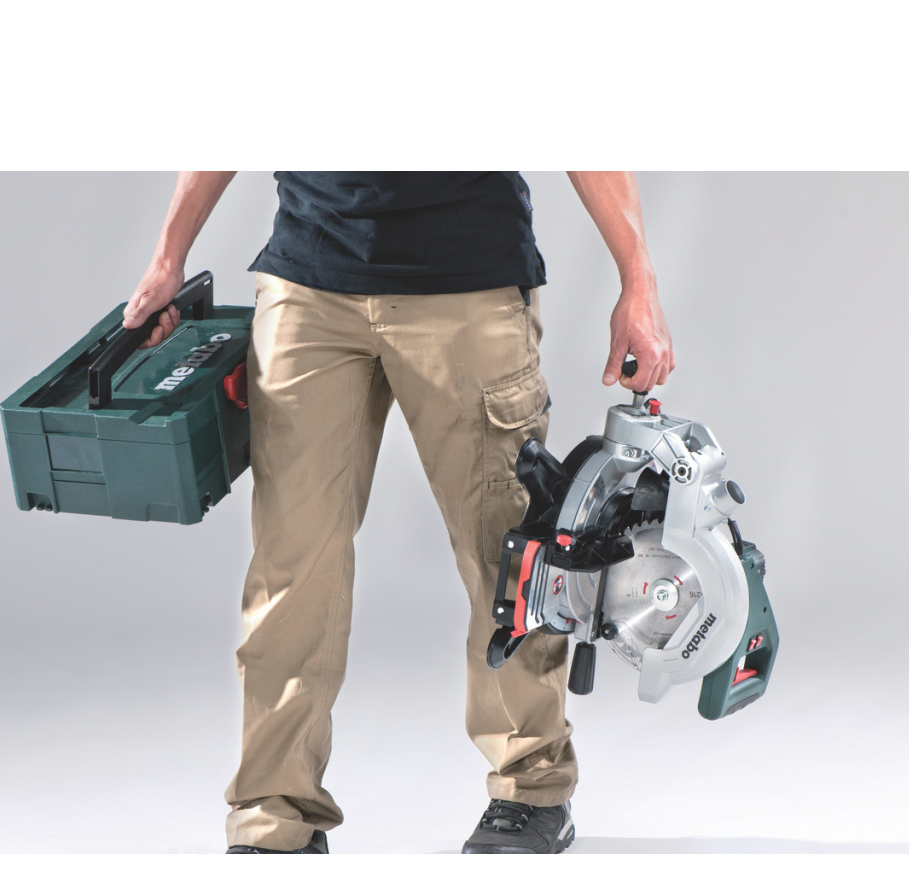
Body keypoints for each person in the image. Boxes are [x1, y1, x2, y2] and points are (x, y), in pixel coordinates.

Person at [123, 172, 675, 854]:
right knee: (291, 566)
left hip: (466, 281)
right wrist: (168, 256)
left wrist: (638, 278)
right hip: (310, 281)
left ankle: (531, 787)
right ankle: (274, 813)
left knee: (510, 560)